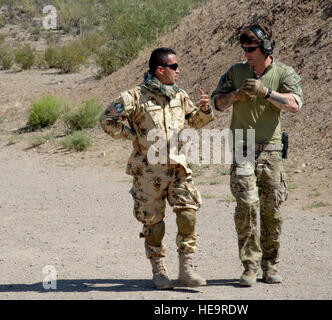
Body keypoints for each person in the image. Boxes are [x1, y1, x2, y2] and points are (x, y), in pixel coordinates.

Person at [100, 47, 214, 289]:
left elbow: (193, 122)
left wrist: (204, 110)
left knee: (187, 215)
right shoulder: (134, 97)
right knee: (153, 223)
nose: (178, 71)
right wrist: (131, 135)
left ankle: (186, 269)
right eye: (174, 67)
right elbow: (107, 120)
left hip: (178, 168)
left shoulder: (179, 95)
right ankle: (159, 270)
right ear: (160, 70)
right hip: (149, 172)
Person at [210, 24, 303, 287]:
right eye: (245, 49)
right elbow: (216, 103)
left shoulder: (284, 72)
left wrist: (266, 93)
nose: (247, 53)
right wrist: (236, 95)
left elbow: (295, 104)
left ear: (266, 48)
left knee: (271, 209)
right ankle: (250, 266)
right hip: (243, 148)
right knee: (247, 206)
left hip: (271, 150)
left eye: (252, 49)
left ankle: (270, 265)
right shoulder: (236, 72)